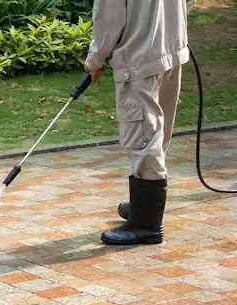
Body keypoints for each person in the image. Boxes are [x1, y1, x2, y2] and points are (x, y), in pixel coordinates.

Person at [85, 0, 196, 245]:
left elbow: (108, 19)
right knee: (157, 134)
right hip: (172, 51)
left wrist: (95, 59)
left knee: (144, 139)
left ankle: (147, 225)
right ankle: (144, 207)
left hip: (140, 59)